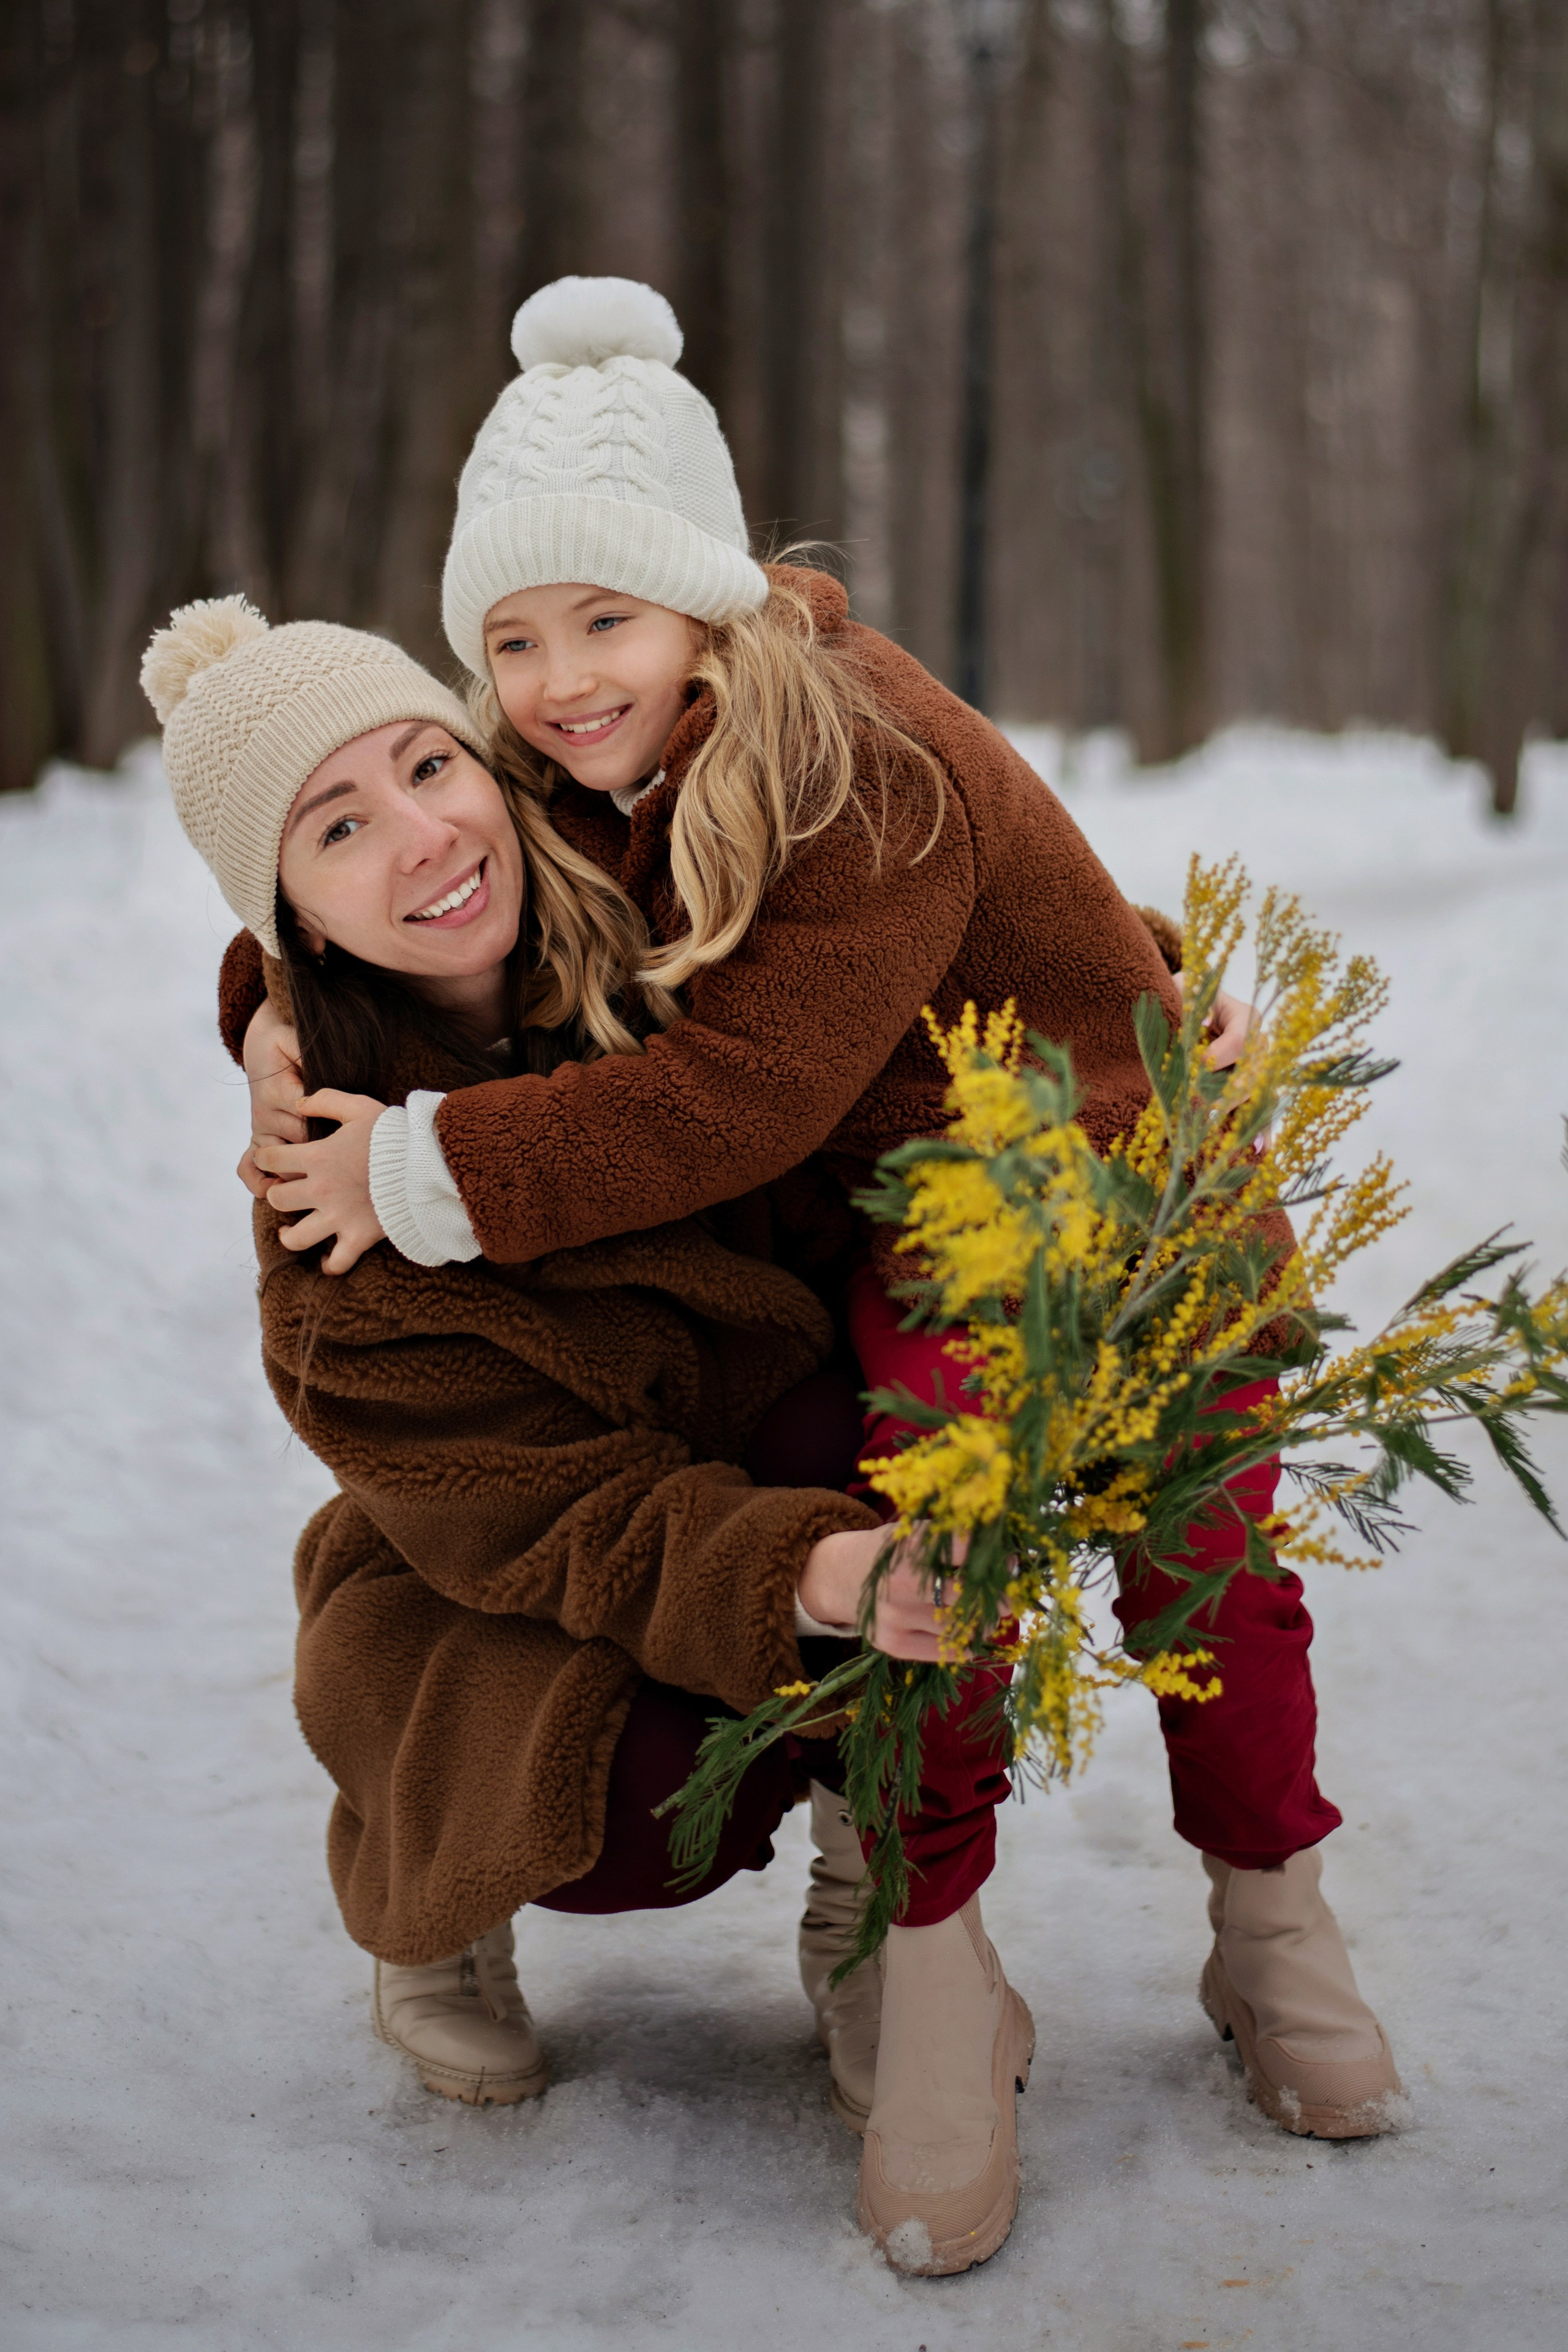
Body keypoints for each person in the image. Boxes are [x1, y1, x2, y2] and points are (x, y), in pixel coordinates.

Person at [225, 280, 1401, 2179]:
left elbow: (749, 1090)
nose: (553, 678)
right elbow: (351, 824)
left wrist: (426, 1167)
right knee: (932, 1531)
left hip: (1101, 1184)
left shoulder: (851, 758)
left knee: (1209, 1566)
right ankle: (922, 1942)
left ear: (706, 594)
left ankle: (1274, 1925)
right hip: (907, 1232)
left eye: (602, 616)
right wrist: (271, 1013)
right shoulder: (577, 762)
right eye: (510, 641)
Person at [141, 597, 1034, 2278]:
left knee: (910, 1423)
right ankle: (429, 1885)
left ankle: (880, 1885)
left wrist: (1140, 998)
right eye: (342, 827)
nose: (426, 836)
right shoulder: (332, 1225)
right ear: (290, 915)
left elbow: (894, 942)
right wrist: (825, 1572)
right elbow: (585, 1523)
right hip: (509, 1550)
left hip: (751, 1441)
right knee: (627, 1814)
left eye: (429, 765)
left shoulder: (642, 913)